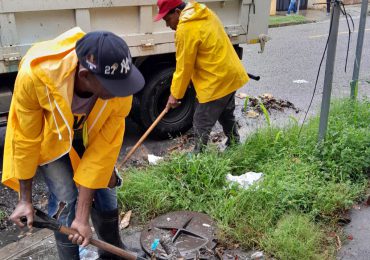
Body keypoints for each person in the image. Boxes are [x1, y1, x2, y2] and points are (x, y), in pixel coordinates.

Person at [2, 27, 145, 259]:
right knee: (65, 197)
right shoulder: (36, 76)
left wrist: (83, 217)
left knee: (106, 191)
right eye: (113, 87)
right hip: (53, 137)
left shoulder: (120, 87)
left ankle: (112, 254)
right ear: (85, 76)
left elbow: (101, 152)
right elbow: (26, 139)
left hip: (91, 131)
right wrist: (25, 200)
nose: (122, 92)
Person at [155, 0, 249, 153]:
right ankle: (234, 143)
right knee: (226, 113)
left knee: (201, 121)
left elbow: (184, 67)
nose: (167, 25)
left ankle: (198, 157)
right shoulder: (203, 12)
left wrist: (175, 95)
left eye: (167, 20)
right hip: (230, 74)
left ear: (178, 12)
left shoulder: (185, 28)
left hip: (215, 80)